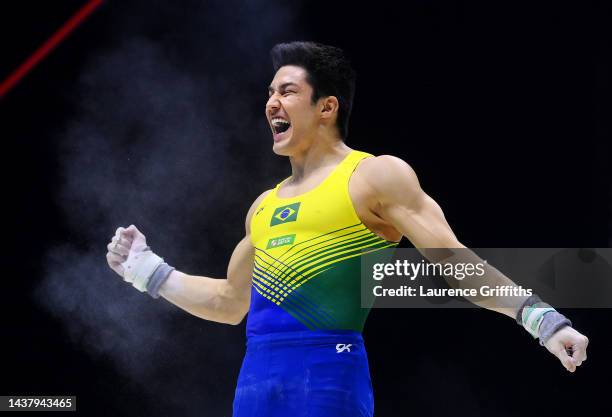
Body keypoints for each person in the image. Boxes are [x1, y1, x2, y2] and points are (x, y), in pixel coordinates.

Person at [105, 42, 589, 417]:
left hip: (328, 374)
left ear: (327, 107)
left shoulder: (374, 176)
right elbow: (231, 304)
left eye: (287, 91)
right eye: (269, 93)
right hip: (255, 383)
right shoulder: (263, 207)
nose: (272, 102)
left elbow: (454, 262)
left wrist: (540, 319)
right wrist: (148, 271)